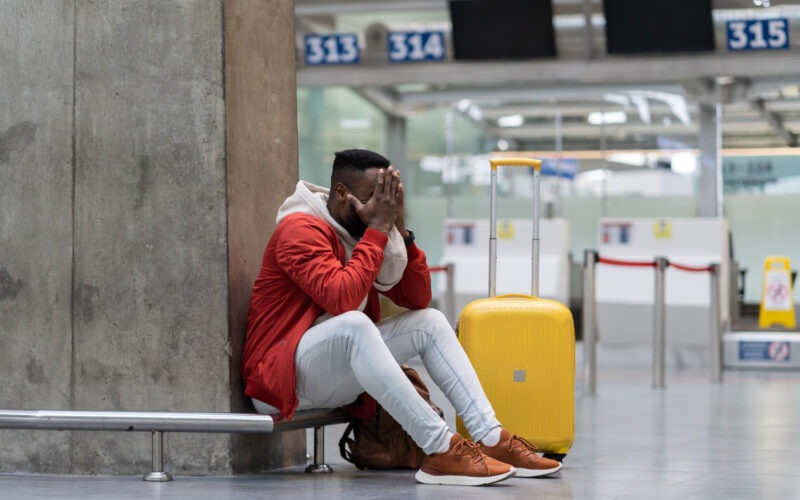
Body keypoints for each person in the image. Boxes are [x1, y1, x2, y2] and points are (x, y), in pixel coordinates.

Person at [242, 149, 562, 486]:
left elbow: (416, 298)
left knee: (430, 321)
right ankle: (440, 449)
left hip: (331, 375)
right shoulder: (299, 230)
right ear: (341, 193)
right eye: (374, 197)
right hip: (281, 379)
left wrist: (401, 230)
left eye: (389, 197)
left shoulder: (362, 230)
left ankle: (491, 437)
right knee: (355, 324)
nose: (383, 205)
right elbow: (343, 300)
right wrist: (378, 228)